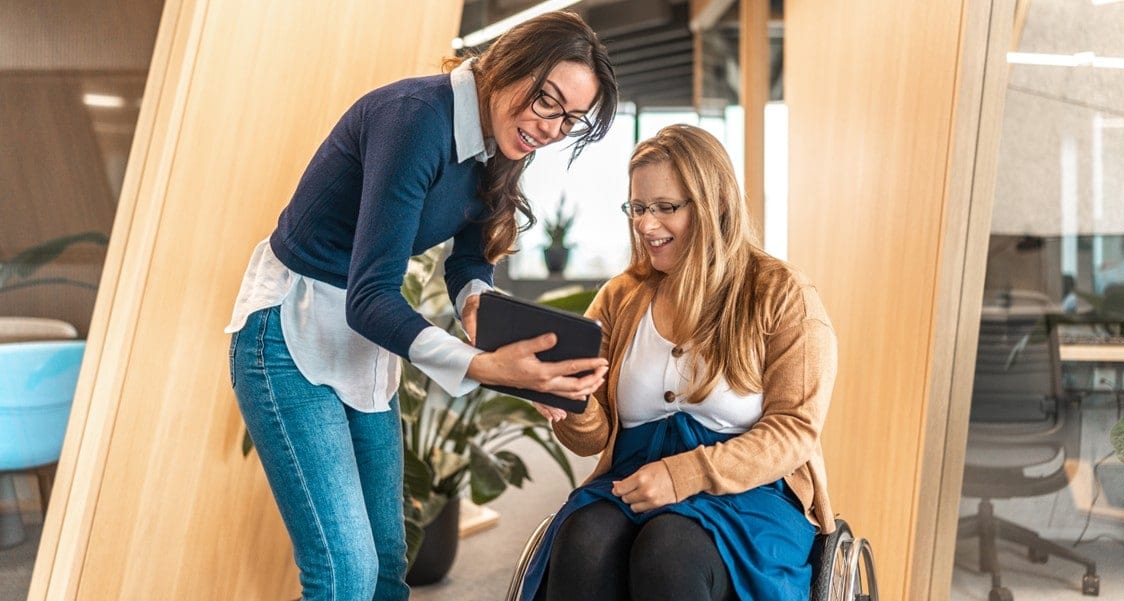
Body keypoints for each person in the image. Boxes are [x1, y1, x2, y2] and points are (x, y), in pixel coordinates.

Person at [224, 11, 618, 601]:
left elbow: (468, 261)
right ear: (509, 64)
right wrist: (483, 367)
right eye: (546, 101)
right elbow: (370, 296)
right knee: (344, 575)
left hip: (364, 342)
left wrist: (495, 331)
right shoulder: (414, 119)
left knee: (386, 568)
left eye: (570, 118)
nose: (552, 127)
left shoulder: (502, 136)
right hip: (289, 332)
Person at [522, 124, 839, 601]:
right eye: (638, 208)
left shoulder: (782, 294)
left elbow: (794, 430)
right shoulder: (620, 296)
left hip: (749, 492)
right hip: (632, 478)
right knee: (582, 539)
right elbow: (590, 440)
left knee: (669, 550)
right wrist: (572, 402)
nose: (647, 225)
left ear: (715, 205)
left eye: (666, 208)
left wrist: (683, 475)